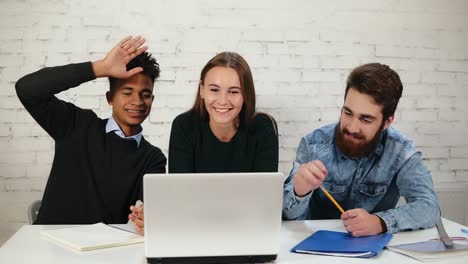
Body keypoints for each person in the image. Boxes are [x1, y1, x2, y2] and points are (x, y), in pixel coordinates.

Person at [16, 36, 167, 224]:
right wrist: (99, 68)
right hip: (50, 243)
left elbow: (149, 211)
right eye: (127, 93)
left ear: (152, 100)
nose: (137, 101)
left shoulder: (153, 158)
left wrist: (148, 219)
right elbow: (27, 89)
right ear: (110, 98)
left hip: (105, 249)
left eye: (145, 95)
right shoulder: (77, 125)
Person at [282, 63, 441, 237]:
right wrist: (299, 192)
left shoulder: (402, 152)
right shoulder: (313, 144)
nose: (352, 127)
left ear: (387, 121)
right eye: (348, 113)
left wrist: (380, 222)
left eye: (366, 119)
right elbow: (290, 219)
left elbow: (429, 207)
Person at [129, 52, 279, 234]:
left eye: (233, 91)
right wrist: (157, 218)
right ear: (202, 90)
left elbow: (264, 202)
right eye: (214, 89)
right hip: (195, 231)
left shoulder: (263, 128)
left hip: (247, 230)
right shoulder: (184, 126)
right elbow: (181, 198)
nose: (223, 100)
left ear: (246, 94)